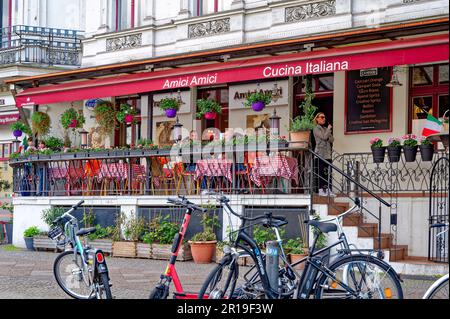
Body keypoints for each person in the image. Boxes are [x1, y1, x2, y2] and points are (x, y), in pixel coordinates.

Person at [313, 112, 335, 197]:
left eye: (324, 117)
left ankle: (328, 190)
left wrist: (327, 132)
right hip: (320, 154)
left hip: (327, 154)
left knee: (328, 173)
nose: (324, 119)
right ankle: (321, 190)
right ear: (317, 119)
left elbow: (332, 139)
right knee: (321, 173)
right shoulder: (316, 128)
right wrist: (328, 131)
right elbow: (324, 137)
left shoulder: (326, 128)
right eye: (322, 117)